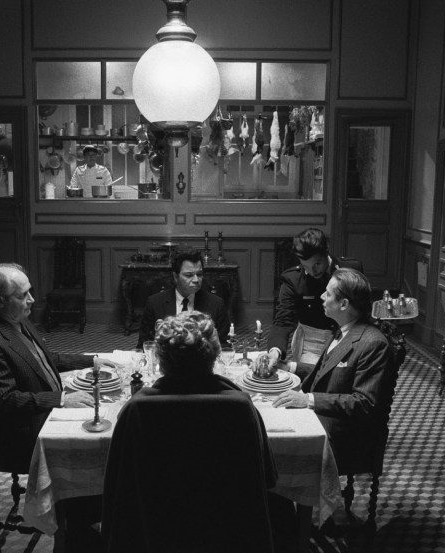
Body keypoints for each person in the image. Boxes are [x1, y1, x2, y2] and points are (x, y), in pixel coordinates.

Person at [104, 312, 296, 553]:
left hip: (154, 533)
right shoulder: (240, 407)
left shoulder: (136, 409)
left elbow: (118, 489)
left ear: (160, 361)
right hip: (227, 535)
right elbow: (267, 477)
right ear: (216, 356)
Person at [0, 262, 115, 551]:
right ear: (0, 301)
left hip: (42, 414)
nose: (32, 300)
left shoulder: (19, 322)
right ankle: (78, 528)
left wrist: (91, 360)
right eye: (23, 295)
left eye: (30, 292)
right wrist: (60, 399)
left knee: (101, 425)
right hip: (19, 434)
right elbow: (3, 402)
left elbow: (47, 358)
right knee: (86, 448)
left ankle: (83, 521)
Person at [271, 268, 391, 475]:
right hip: (324, 416)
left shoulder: (373, 343)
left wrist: (307, 400)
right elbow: (329, 371)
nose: (321, 297)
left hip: (345, 434)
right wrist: (287, 366)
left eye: (327, 293)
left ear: (344, 304)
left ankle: (294, 499)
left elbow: (364, 403)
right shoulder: (343, 329)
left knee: (274, 446)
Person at [266, 228, 363, 369]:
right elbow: (283, 320)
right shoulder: (293, 279)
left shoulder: (350, 270)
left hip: (348, 339)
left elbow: (362, 310)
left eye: (317, 264)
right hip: (311, 345)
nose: (312, 271)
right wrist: (275, 351)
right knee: (311, 381)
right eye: (306, 266)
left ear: (326, 252)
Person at [136, 246, 230, 348]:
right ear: (175, 277)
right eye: (189, 275)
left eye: (199, 274)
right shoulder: (155, 303)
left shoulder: (216, 304)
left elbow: (223, 346)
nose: (196, 280)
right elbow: (144, 345)